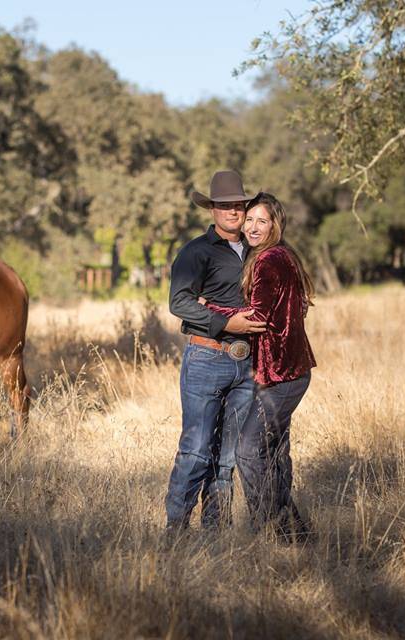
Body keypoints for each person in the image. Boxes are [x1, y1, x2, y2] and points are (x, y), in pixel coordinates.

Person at [202, 192, 317, 542]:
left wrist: (211, 309)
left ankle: (274, 529)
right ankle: (296, 532)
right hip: (287, 371)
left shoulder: (268, 261)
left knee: (249, 450)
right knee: (275, 452)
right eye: (249, 220)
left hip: (282, 375)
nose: (252, 227)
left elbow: (259, 317)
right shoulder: (280, 256)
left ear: (273, 226)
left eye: (261, 221)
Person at [164, 170, 266, 536]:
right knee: (195, 450)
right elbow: (178, 302)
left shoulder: (258, 251)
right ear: (212, 210)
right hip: (206, 358)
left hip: (247, 364)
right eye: (224, 205)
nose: (232, 211)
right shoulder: (196, 251)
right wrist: (225, 324)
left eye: (238, 204)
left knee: (227, 459)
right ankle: (174, 530)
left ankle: (215, 535)